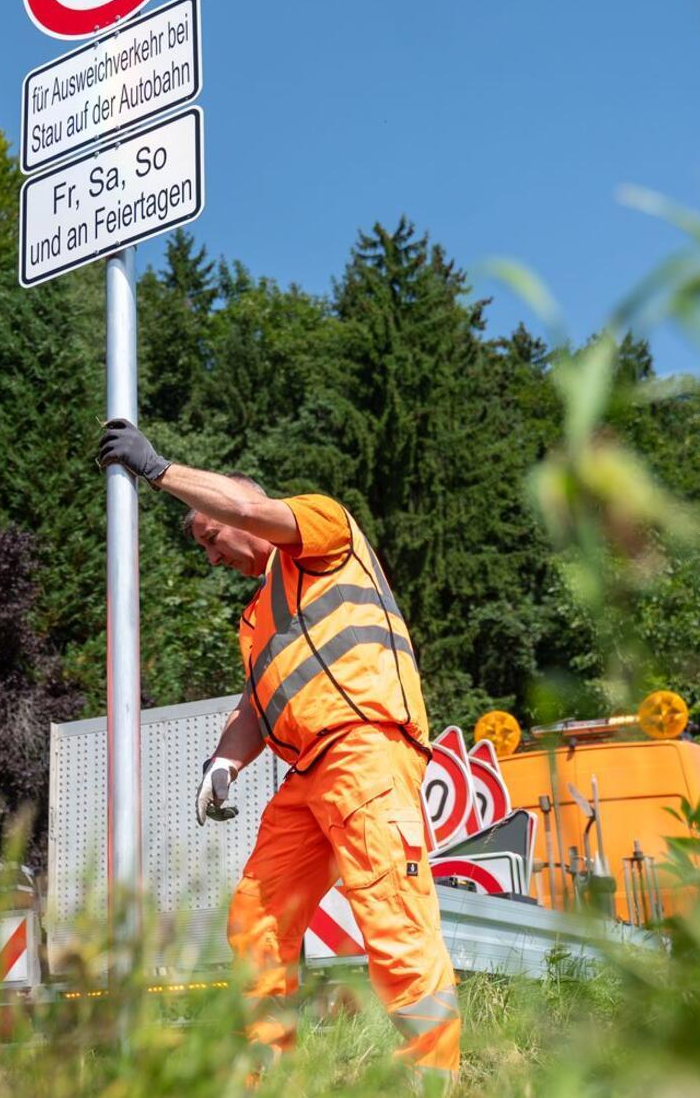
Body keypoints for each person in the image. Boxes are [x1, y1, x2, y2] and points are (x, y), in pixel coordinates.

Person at [96, 419, 460, 1083]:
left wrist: (158, 470)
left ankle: (434, 1078)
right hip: (310, 777)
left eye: (208, 537)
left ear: (237, 504)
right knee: (256, 919)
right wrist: (222, 763)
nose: (211, 556)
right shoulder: (257, 618)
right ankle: (264, 1075)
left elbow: (244, 509)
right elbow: (254, 708)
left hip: (365, 751)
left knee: (392, 917)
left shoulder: (320, 530)